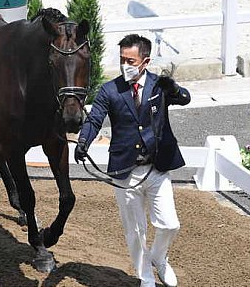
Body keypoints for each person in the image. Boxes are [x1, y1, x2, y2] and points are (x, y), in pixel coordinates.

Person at [75, 34, 190, 287]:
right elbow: (95, 120)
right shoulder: (109, 90)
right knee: (135, 232)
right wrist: (84, 141)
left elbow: (184, 99)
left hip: (157, 168)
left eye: (130, 60)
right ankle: (145, 277)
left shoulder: (158, 86)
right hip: (126, 172)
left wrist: (175, 88)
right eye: (122, 60)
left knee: (170, 224)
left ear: (144, 61)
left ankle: (159, 258)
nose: (125, 65)